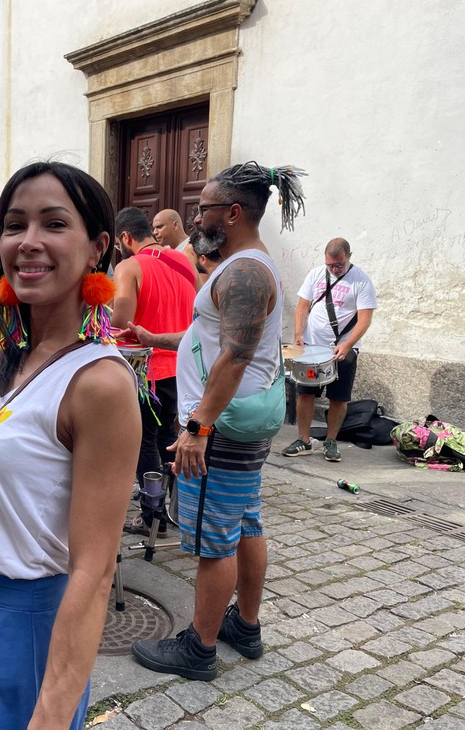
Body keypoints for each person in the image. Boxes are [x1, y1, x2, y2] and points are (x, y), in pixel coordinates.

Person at [0, 162, 140, 729]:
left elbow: (94, 572)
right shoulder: (13, 359)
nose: (30, 241)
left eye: (55, 223)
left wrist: (50, 716)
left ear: (98, 248)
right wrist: (17, 250)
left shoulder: (98, 384)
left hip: (24, 624)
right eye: (15, 225)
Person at [132, 161, 306, 682]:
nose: (195, 217)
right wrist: (158, 340)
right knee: (246, 523)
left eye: (203, 208)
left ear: (232, 213)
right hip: (238, 422)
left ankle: (199, 647)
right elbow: (212, 337)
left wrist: (198, 428)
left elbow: (234, 356)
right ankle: (244, 627)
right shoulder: (245, 265)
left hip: (222, 427)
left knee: (214, 539)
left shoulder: (246, 272)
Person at [111, 207, 197, 537]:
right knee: (167, 439)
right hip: (183, 367)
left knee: (143, 442)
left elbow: (120, 324)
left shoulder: (129, 267)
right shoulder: (184, 261)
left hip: (147, 370)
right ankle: (171, 509)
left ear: (125, 237)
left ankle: (151, 517)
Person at [283, 238, 377, 463]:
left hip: (342, 349)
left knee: (338, 397)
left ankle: (331, 441)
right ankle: (304, 440)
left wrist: (347, 344)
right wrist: (298, 335)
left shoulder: (361, 281)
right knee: (305, 392)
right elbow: (302, 308)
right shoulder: (316, 275)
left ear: (349, 257)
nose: (335, 269)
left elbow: (364, 320)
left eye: (339, 265)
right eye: (330, 265)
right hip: (312, 348)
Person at [152, 208, 203, 289]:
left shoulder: (190, 249)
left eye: (159, 227)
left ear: (175, 225)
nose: (155, 232)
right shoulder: (163, 251)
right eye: (154, 228)